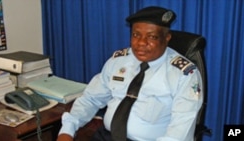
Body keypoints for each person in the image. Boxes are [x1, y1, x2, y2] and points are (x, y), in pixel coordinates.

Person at [57, 6, 203, 141]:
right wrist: (67, 130)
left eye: (151, 37)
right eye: (136, 35)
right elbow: (91, 100)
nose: (141, 43)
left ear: (166, 38)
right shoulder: (118, 61)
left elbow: (180, 129)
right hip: (107, 137)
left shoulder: (184, 74)